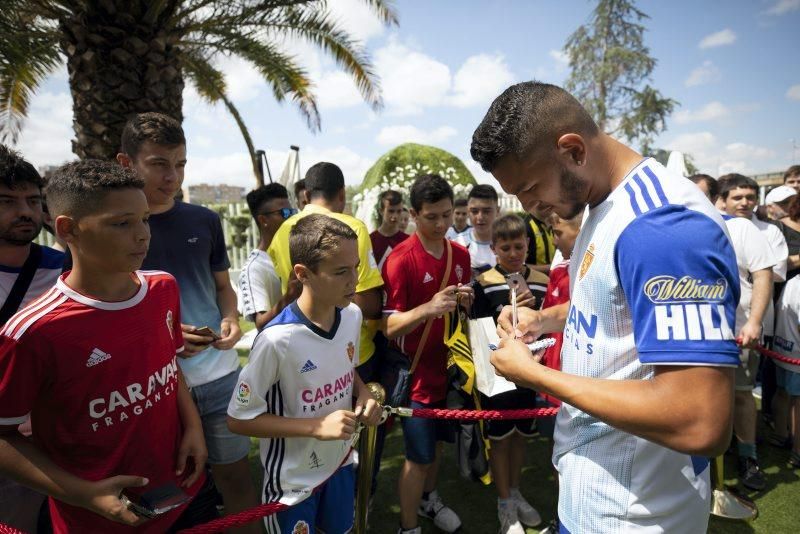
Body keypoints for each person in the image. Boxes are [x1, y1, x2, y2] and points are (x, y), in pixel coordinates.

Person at [471, 81, 740, 533]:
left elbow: (701, 421)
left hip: (638, 515)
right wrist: (544, 319)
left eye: (532, 187)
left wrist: (534, 374)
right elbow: (612, 305)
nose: (530, 207)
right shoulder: (604, 206)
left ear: (573, 150)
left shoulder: (662, 226)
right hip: (598, 498)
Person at [0, 159, 209, 532]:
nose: (143, 234)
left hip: (178, 495)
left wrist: (192, 427)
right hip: (94, 520)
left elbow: (169, 365)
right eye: (121, 223)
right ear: (68, 230)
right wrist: (85, 494)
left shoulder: (163, 287)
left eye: (144, 219)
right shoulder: (32, 332)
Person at [116, 112, 259, 530]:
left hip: (219, 378)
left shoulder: (205, 220)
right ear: (126, 163)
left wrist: (231, 318)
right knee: (170, 496)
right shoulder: (115, 230)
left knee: (236, 479)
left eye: (180, 164)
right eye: (159, 164)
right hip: (154, 390)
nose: (172, 176)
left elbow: (222, 288)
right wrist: (166, 337)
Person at [227, 214, 381, 533]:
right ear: (303, 273)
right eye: (341, 271)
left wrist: (363, 392)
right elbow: (238, 419)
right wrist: (316, 426)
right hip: (292, 484)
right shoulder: (276, 340)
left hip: (338, 464)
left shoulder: (351, 315)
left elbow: (343, 366)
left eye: (355, 267)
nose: (354, 280)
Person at [382, 174, 473, 534]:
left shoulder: (461, 254)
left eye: (447, 215)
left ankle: (428, 500)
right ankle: (408, 527)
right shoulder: (400, 259)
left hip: (449, 371)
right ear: (413, 215)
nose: (441, 224)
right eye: (431, 217)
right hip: (416, 376)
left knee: (436, 449)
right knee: (417, 458)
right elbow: (386, 328)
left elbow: (463, 313)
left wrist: (465, 302)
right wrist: (428, 308)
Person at [0, 146, 65, 532]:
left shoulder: (64, 268)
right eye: (7, 201)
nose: (24, 211)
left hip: (60, 438)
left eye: (31, 199)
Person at [472, 214, 547, 534]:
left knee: (521, 437)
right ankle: (504, 504)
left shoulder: (542, 280)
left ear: (528, 245)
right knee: (500, 440)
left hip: (532, 372)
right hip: (499, 375)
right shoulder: (484, 282)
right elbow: (477, 330)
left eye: (519, 246)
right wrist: (506, 313)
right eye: (506, 247)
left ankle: (514, 492)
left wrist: (536, 311)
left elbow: (550, 322)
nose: (514, 253)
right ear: (494, 248)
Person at [716, 175, 779, 489]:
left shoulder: (745, 229)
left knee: (742, 395)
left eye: (750, 197)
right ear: (722, 199)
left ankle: (747, 458)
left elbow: (763, 275)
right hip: (703, 332)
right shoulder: (699, 223)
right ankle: (717, 451)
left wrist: (754, 322)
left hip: (740, 330)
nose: (745, 203)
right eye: (737, 197)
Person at [239, 183, 301, 330]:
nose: (292, 218)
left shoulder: (298, 251)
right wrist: (289, 297)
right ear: (263, 220)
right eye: (285, 213)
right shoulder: (254, 268)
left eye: (293, 212)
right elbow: (261, 323)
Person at [772, 274, 800, 467]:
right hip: (796, 355)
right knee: (798, 402)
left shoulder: (792, 281)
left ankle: (780, 435)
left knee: (782, 393)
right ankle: (798, 452)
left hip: (782, 349)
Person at [455, 184, 501, 276]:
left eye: (486, 211)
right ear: (468, 211)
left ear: (498, 211)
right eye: (474, 211)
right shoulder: (457, 244)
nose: (480, 217)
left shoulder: (509, 243)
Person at [370, 189, 409, 271]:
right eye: (391, 211)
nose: (395, 216)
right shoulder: (370, 240)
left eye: (399, 211)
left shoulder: (407, 241)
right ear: (381, 211)